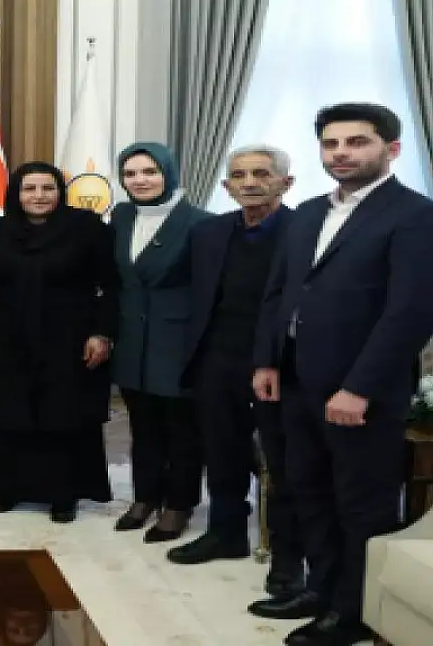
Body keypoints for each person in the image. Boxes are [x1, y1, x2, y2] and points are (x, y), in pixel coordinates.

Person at [250, 103, 433, 645]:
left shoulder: (415, 215)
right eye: (331, 144)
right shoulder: (307, 213)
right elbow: (279, 292)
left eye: (357, 142)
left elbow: (410, 313)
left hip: (361, 392)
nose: (341, 153)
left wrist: (358, 388)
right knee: (308, 492)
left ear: (390, 149)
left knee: (360, 503)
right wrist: (267, 359)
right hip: (296, 382)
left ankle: (354, 611)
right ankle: (322, 590)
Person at [168, 145, 305, 599]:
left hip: (280, 363)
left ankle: (288, 555)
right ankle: (226, 533)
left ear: (285, 182)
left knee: (283, 461)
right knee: (221, 451)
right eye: (240, 175)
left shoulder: (305, 230)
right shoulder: (208, 232)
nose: (250, 183)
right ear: (226, 186)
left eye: (261, 173)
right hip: (217, 359)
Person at [0, 161, 118, 522]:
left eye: (48, 188)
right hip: (9, 338)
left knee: (64, 415)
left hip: (70, 339)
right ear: (16, 193)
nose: (39, 196)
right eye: (30, 188)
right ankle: (6, 488)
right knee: (9, 413)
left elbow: (110, 286)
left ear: (61, 192)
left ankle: (63, 495)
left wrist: (102, 333)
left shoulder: (87, 228)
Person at [109, 141, 210, 542]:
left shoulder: (201, 222)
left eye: (149, 171)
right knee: (143, 427)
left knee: (182, 431)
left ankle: (179, 504)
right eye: (130, 173)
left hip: (178, 343)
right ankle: (145, 497)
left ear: (168, 172)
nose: (140, 180)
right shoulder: (121, 217)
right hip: (132, 342)